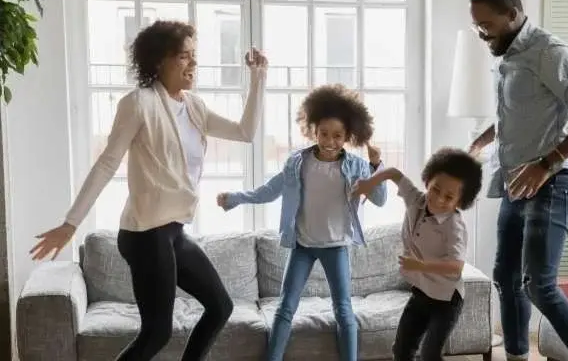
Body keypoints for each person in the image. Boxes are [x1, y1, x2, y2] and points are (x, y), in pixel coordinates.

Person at [29, 20, 269, 361]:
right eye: (184, 56)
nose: (193, 63)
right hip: (144, 234)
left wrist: (258, 78)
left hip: (173, 232)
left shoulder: (194, 107)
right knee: (157, 333)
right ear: (159, 61)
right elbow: (106, 164)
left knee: (220, 306)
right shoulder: (139, 103)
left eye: (194, 55)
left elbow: (245, 132)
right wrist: (71, 223)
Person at [467, 0, 568, 361]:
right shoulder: (509, 54)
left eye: (486, 25)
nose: (482, 33)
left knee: (538, 284)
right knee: (506, 278)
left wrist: (547, 164)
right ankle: (516, 356)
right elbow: (516, 114)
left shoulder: (551, 52)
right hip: (516, 179)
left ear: (512, 14)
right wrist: (481, 142)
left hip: (554, 179)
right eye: (476, 25)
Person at [216, 83, 387, 361]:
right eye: (324, 134)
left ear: (347, 136)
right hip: (303, 245)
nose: (330, 141)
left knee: (343, 310)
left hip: (336, 247)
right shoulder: (298, 163)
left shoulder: (356, 166)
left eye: (337, 136)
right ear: (313, 129)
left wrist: (376, 165)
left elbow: (379, 199)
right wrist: (235, 198)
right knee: (285, 307)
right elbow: (269, 191)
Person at [352, 147, 483, 361]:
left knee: (430, 354)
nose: (438, 199)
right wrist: (370, 183)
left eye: (449, 196)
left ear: (460, 202)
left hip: (447, 300)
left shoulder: (454, 227)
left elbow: (455, 267)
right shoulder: (416, 200)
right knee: (401, 350)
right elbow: (394, 173)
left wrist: (422, 266)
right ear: (428, 181)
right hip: (421, 293)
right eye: (435, 189)